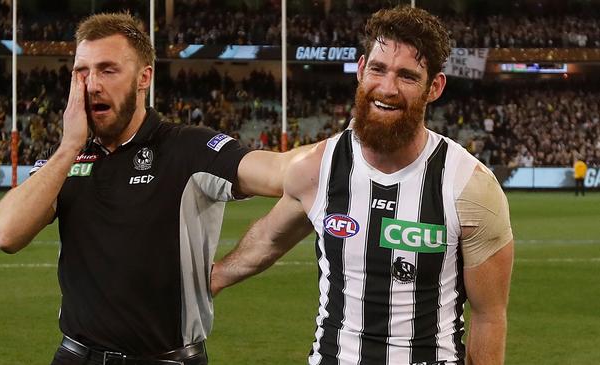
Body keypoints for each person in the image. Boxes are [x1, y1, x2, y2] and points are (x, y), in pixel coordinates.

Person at [0, 12, 307, 365]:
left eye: (108, 70)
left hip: (167, 358)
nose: (92, 84)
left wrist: (355, 144)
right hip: (76, 356)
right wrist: (68, 147)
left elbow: (280, 171)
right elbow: (6, 234)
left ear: (144, 77)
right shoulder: (65, 158)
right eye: (82, 71)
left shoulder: (188, 148)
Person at [211, 6, 514, 365]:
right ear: (360, 69)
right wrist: (207, 280)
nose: (387, 88)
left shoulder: (470, 187)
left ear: (434, 87)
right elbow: (267, 241)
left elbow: (488, 316)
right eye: (378, 69)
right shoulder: (317, 168)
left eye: (407, 76)